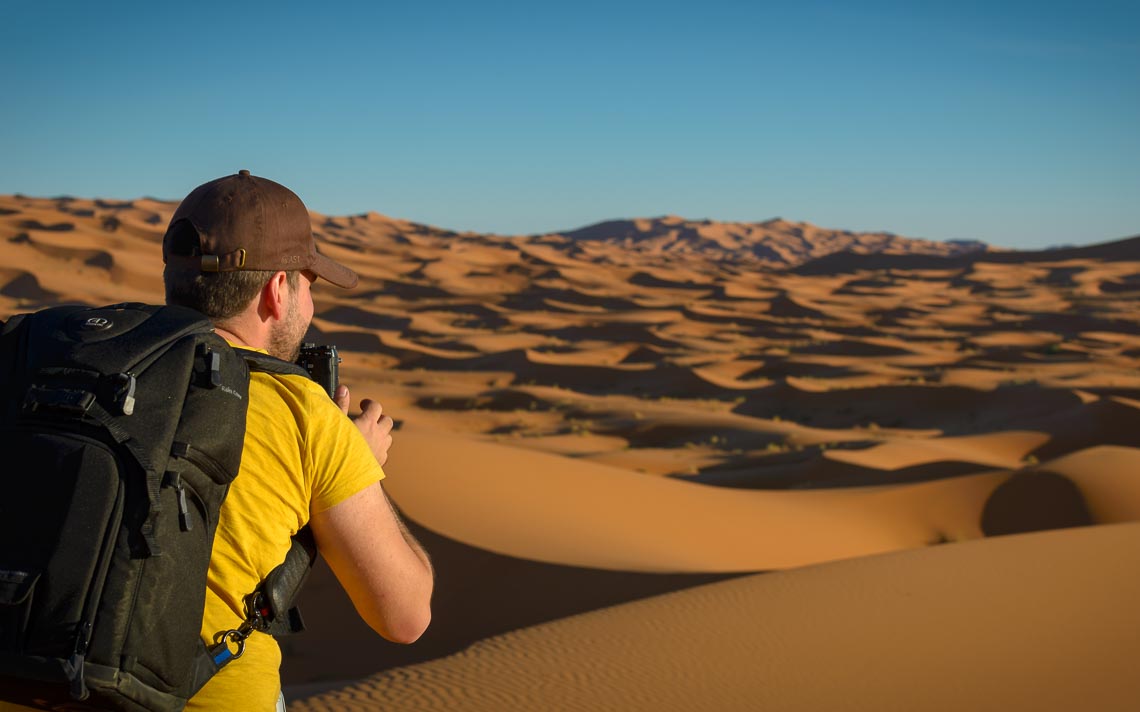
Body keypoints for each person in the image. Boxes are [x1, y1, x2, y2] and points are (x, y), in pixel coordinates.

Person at [163, 170, 434, 710]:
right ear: (277, 290)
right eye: (308, 283)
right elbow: (407, 615)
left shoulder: (71, 370)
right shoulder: (301, 411)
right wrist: (358, 462)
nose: (310, 305)